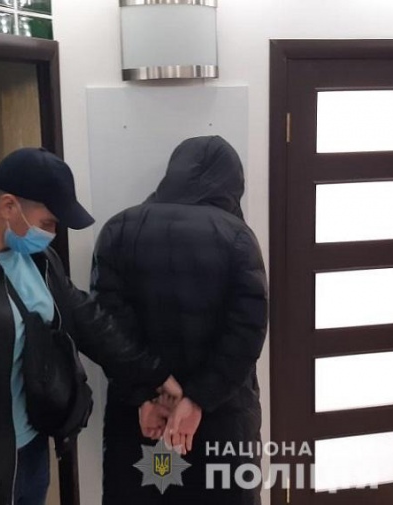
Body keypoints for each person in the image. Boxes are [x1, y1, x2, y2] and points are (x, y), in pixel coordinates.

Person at [0, 147, 183, 505]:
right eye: (48, 222)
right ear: (9, 206)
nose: (52, 233)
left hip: (33, 448)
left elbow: (87, 318)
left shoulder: (38, 258)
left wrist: (154, 373)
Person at [93, 136, 268, 505]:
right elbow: (247, 332)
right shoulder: (237, 238)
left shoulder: (117, 230)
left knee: (146, 495)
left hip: (144, 418)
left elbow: (107, 327)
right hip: (221, 419)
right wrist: (198, 399)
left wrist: (146, 394)